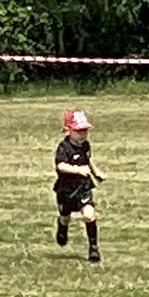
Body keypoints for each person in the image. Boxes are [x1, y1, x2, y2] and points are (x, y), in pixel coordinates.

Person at [53, 108, 105, 262]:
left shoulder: (86, 146)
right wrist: (77, 170)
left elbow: (88, 160)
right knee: (65, 217)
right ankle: (62, 229)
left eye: (85, 131)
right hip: (66, 189)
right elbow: (60, 166)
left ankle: (93, 248)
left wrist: (96, 173)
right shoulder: (64, 148)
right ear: (68, 131)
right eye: (79, 131)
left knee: (89, 215)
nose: (83, 134)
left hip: (83, 187)